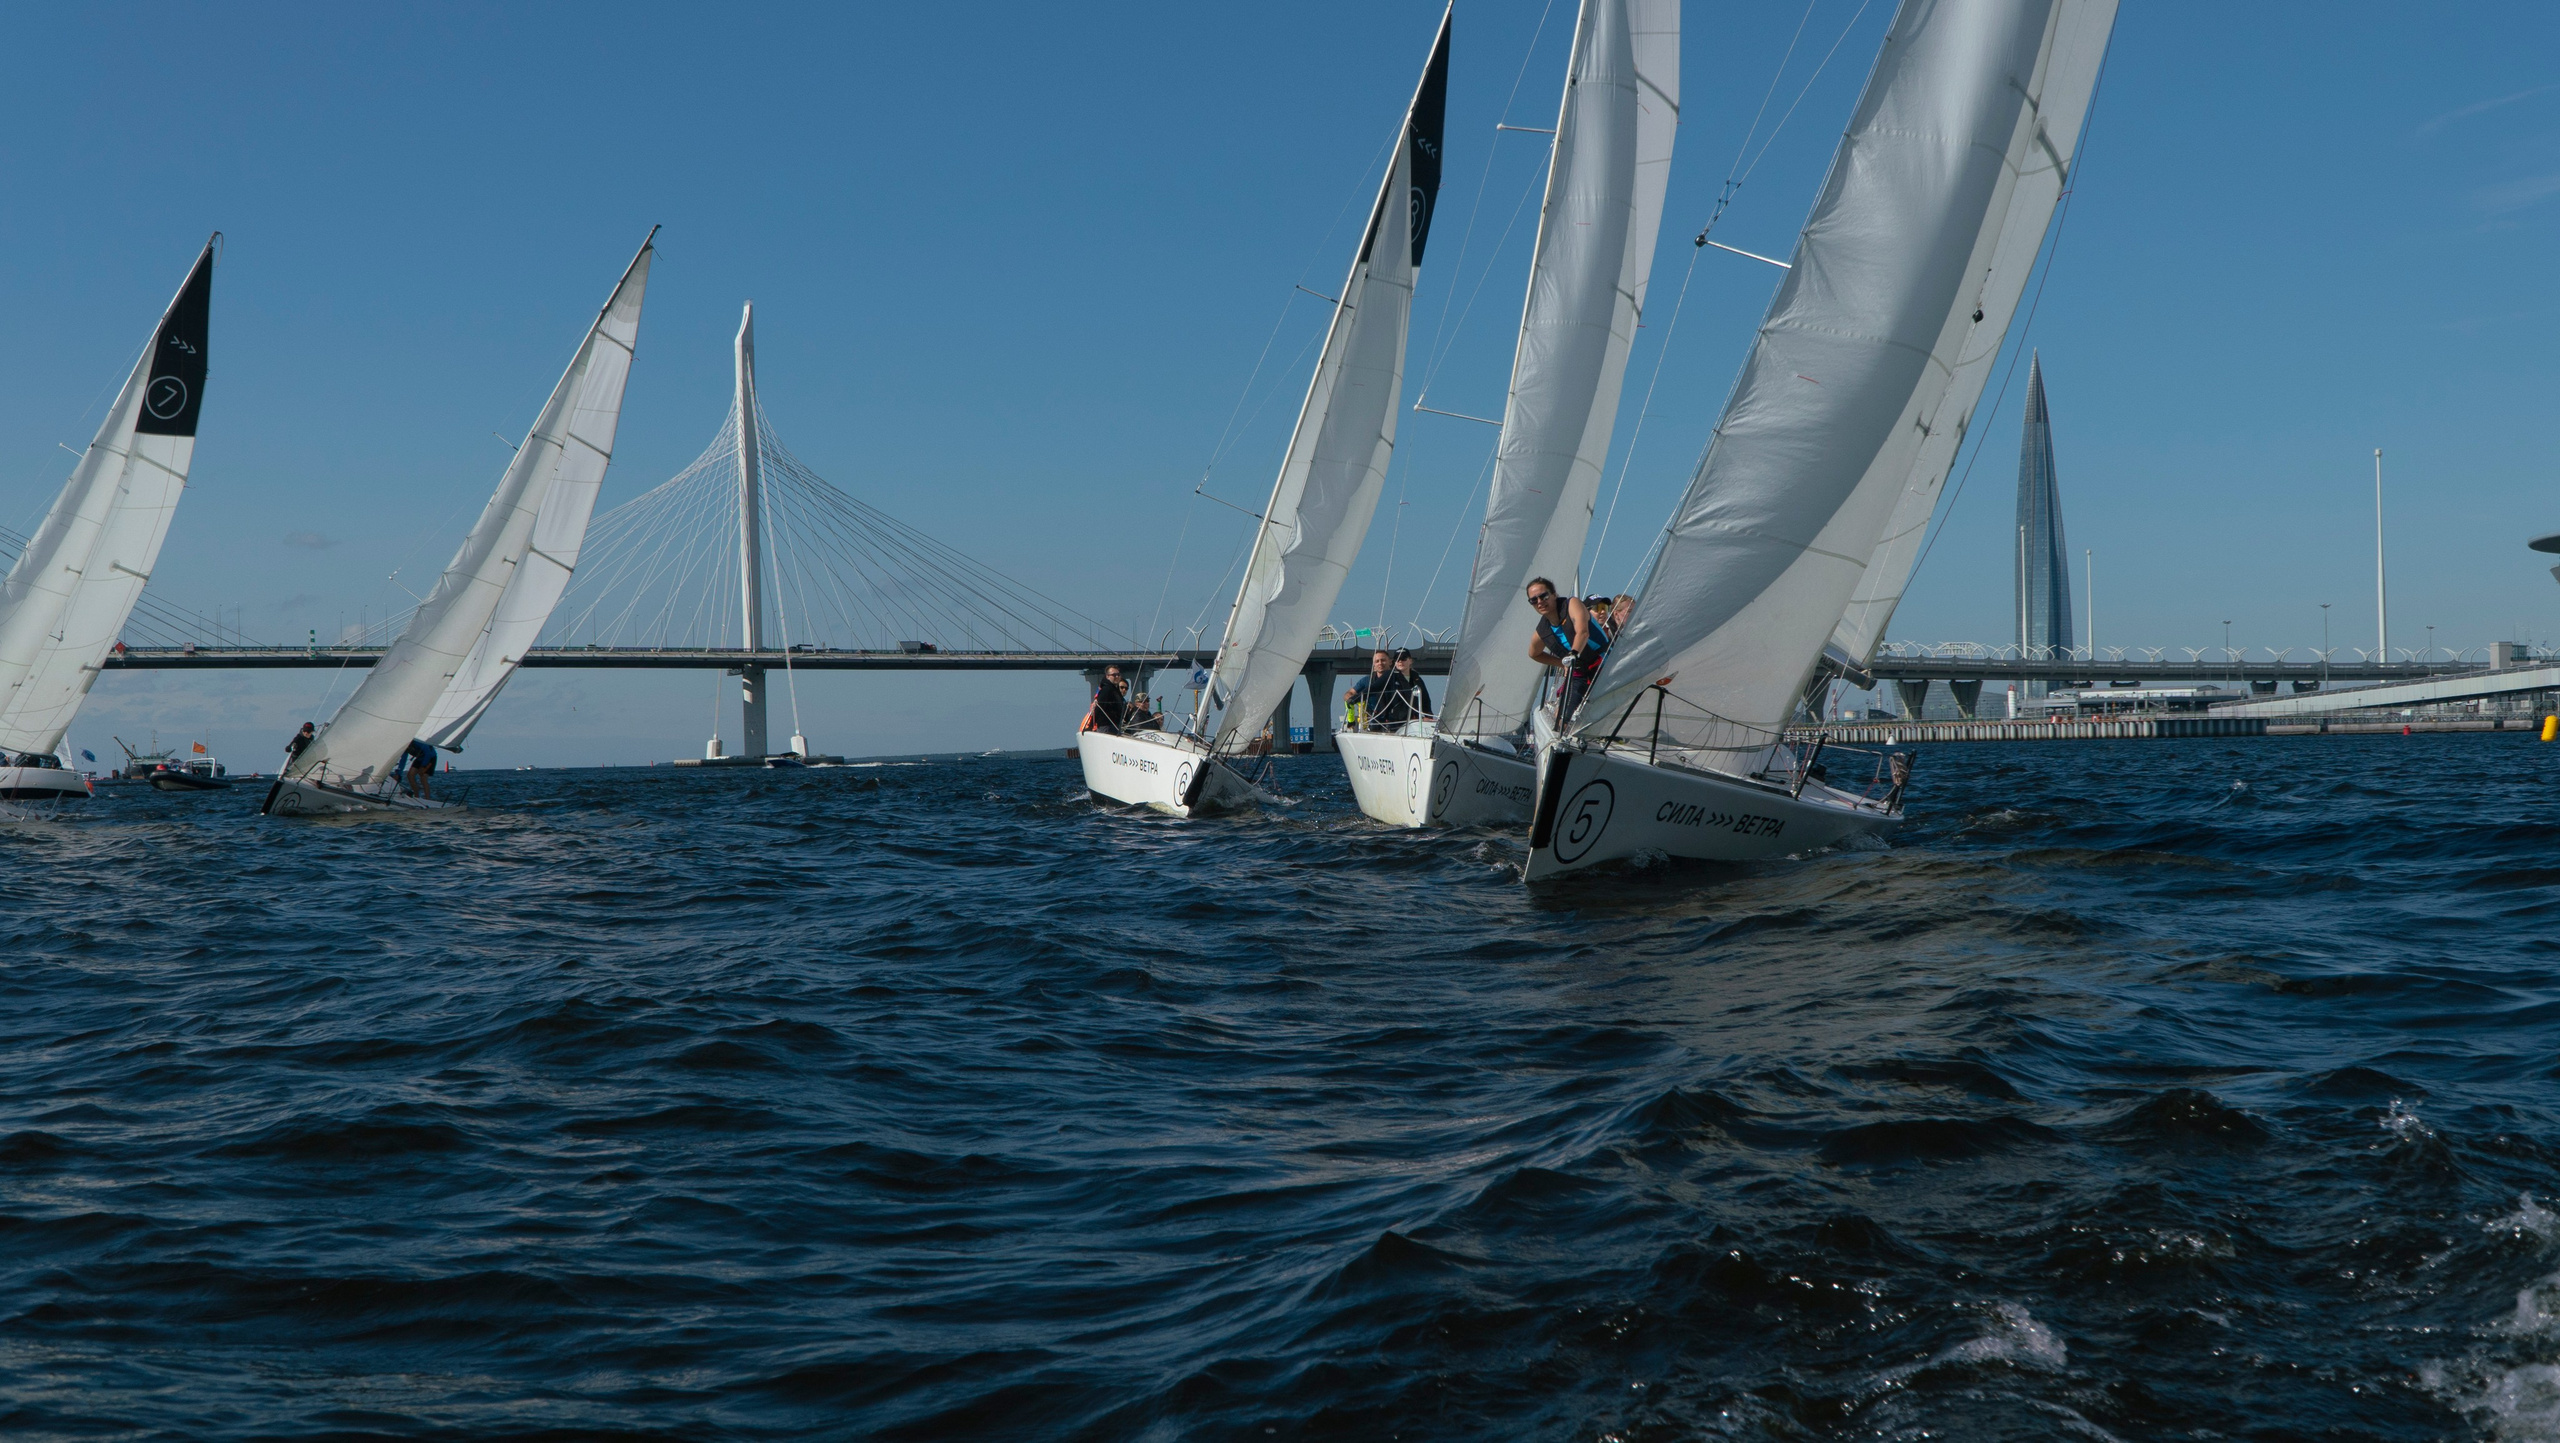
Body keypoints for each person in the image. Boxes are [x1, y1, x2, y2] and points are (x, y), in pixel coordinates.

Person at [1525, 576, 1608, 721]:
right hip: (1578, 669)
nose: (1539, 602)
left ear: (1554, 595)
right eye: (1534, 600)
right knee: (1562, 716)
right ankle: (1562, 732)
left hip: (1603, 661)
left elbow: (1583, 632)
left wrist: (1573, 654)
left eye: (1543, 596)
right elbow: (1534, 654)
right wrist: (1562, 663)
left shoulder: (1572, 604)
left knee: (1604, 703)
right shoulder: (1542, 629)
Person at [1375, 648, 1432, 727]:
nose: (1400, 661)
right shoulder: (1389, 678)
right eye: (1397, 659)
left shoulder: (1417, 679)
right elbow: (1377, 693)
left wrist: (1428, 717)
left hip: (1414, 723)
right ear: (1394, 662)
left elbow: (1425, 700)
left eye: (1403, 658)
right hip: (1394, 724)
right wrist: (1355, 698)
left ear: (1410, 661)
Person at [1342, 650, 1393, 731]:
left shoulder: (1397, 679)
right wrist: (1352, 699)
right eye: (1377, 661)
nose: (1380, 663)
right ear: (1374, 665)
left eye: (1383, 660)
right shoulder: (1366, 680)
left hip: (1394, 721)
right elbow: (1349, 693)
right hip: (1372, 721)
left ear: (1390, 662)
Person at [1083, 666, 1130, 734]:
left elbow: (1122, 707)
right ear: (1107, 676)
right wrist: (1090, 726)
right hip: (1106, 727)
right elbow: (1099, 707)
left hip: (1115, 726)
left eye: (1118, 675)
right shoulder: (1106, 689)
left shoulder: (1115, 690)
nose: (1117, 677)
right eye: (1114, 675)